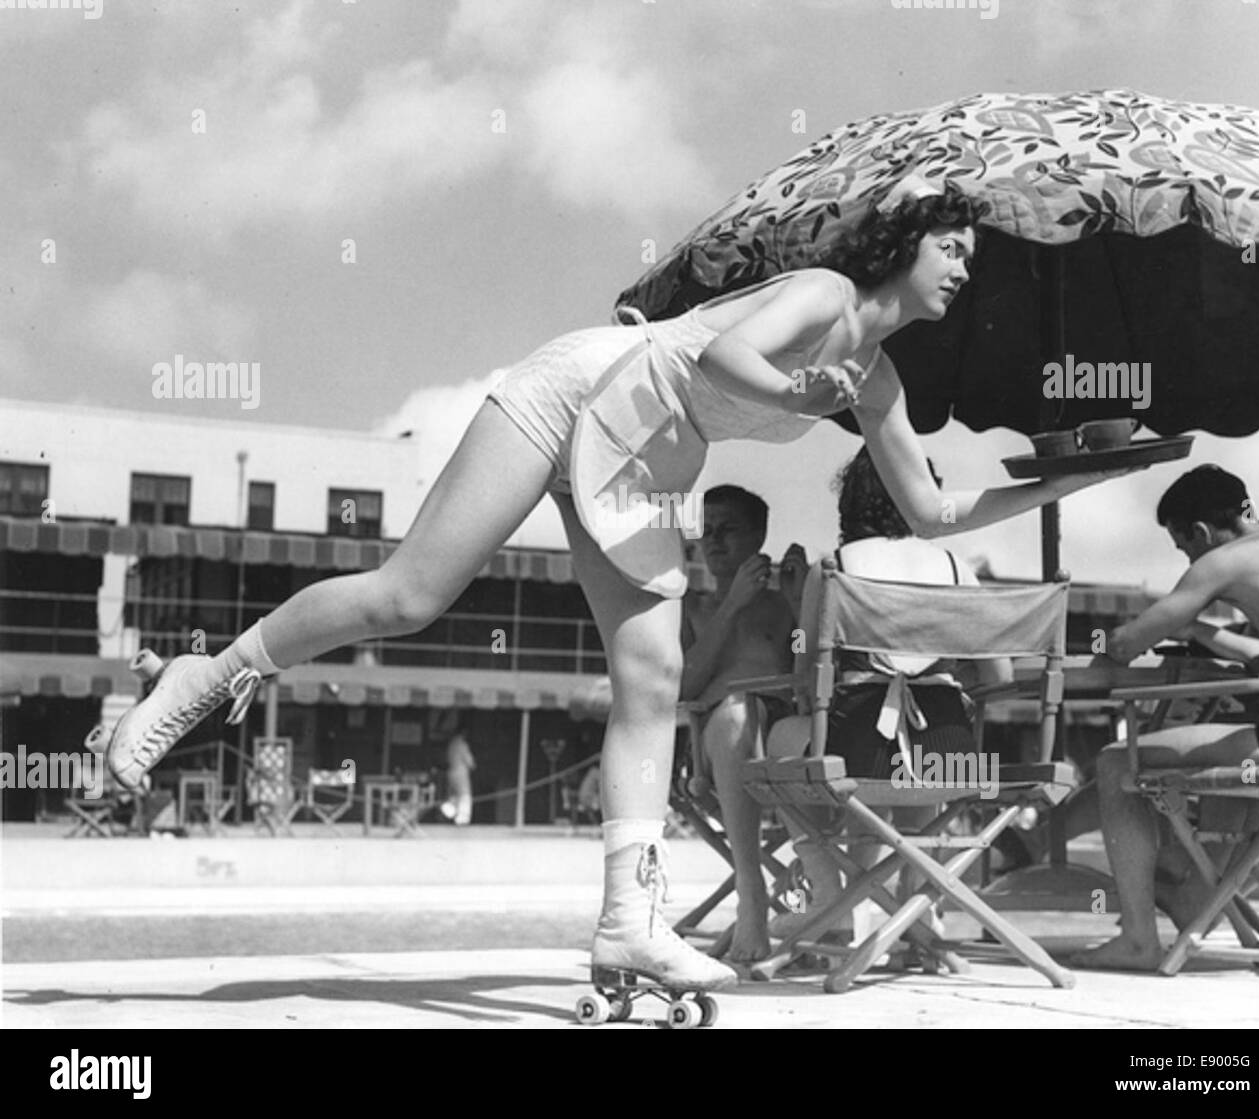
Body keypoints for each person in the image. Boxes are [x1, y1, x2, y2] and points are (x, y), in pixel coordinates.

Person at [98, 178, 1133, 992]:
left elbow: (931, 512)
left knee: (651, 679)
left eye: (969, 257)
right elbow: (725, 358)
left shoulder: (880, 382)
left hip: (648, 465)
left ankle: (626, 929)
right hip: (579, 393)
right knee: (409, 596)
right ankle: (207, 674)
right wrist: (796, 386)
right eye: (953, 247)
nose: (964, 269)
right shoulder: (821, 297)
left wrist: (1068, 476)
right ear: (900, 246)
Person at [764, 447, 1011, 945]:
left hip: (861, 752)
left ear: (852, 502)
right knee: (921, 763)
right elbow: (1000, 673)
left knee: (782, 739)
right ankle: (921, 910)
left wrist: (796, 610)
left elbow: (801, 672)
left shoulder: (834, 567)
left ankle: (828, 897)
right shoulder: (958, 568)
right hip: (953, 759)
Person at [1073, 465, 1259, 971]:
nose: (1188, 559)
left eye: (1183, 548)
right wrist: (1201, 632)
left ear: (1198, 532)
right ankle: (1192, 898)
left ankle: (1137, 937)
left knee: (1115, 765)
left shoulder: (1223, 559)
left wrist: (1097, 641)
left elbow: (1128, 644)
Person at [680, 484, 801, 962]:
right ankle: (751, 892)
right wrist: (730, 606)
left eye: (728, 530)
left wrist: (796, 606)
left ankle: (816, 898)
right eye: (706, 532)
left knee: (805, 733)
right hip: (716, 741)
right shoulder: (691, 605)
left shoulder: (777, 608)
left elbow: (803, 672)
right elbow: (687, 685)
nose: (714, 541)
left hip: (777, 735)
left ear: (759, 537)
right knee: (735, 714)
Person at [441, 732, 476, 826]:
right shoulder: (462, 744)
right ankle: (462, 818)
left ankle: (449, 809)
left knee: (454, 796)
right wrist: (472, 765)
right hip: (461, 773)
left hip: (451, 771)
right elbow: (469, 761)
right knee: (465, 795)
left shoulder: (451, 744)